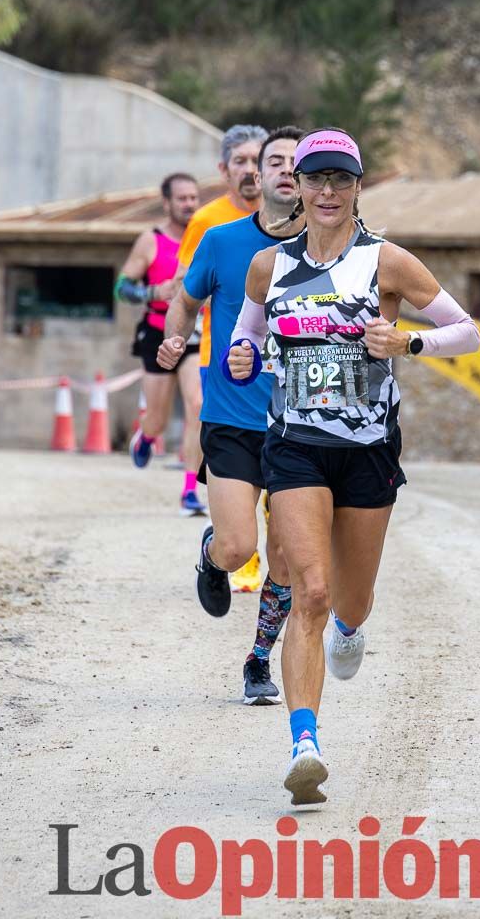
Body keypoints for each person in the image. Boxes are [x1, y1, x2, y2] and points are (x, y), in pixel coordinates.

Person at [225, 128, 480, 804]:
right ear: (299, 188)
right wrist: (241, 358)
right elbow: (245, 338)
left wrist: (409, 340)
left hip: (368, 450)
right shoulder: (268, 267)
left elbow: (469, 331)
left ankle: (350, 628)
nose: (329, 191)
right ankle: (304, 743)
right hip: (295, 447)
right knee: (309, 590)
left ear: (357, 186)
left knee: (351, 601)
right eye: (317, 179)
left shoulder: (387, 263)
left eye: (342, 179)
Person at [157, 127, 306, 704]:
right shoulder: (221, 242)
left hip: (302, 424)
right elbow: (185, 300)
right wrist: (176, 340)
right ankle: (210, 551)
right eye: (275, 161)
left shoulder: (331, 251)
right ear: (258, 177)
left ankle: (258, 660)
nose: (286, 170)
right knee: (240, 547)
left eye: (299, 162)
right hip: (232, 419)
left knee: (288, 559)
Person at [175, 124, 267, 592]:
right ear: (225, 169)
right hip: (219, 355)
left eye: (259, 161)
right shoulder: (209, 222)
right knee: (200, 412)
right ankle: (233, 549)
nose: (251, 171)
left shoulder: (306, 225)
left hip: (284, 378)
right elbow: (185, 286)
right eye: (242, 162)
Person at [118, 173, 205, 515]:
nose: (189, 204)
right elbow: (121, 288)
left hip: (196, 334)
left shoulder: (206, 237)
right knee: (156, 419)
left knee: (198, 404)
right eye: (182, 198)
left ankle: (189, 492)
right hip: (157, 332)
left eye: (193, 198)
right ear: (167, 203)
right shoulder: (150, 241)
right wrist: (153, 292)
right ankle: (146, 435)